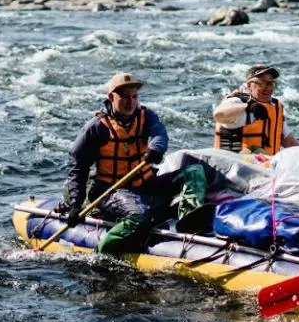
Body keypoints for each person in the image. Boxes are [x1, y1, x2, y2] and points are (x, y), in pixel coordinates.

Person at [58, 73, 207, 255]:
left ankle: (189, 218)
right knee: (139, 217)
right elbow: (78, 168)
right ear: (111, 98)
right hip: (112, 190)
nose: (130, 102)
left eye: (134, 96)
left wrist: (156, 149)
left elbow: (159, 133)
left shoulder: (146, 116)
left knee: (194, 170)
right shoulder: (96, 127)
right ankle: (102, 253)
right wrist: (75, 204)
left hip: (145, 183)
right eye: (124, 97)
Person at [212, 64, 299, 155]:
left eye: (271, 84)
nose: (267, 88)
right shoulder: (237, 102)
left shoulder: (274, 107)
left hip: (265, 166)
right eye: (262, 84)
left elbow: (289, 142)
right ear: (249, 85)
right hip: (236, 165)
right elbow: (218, 114)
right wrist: (248, 107)